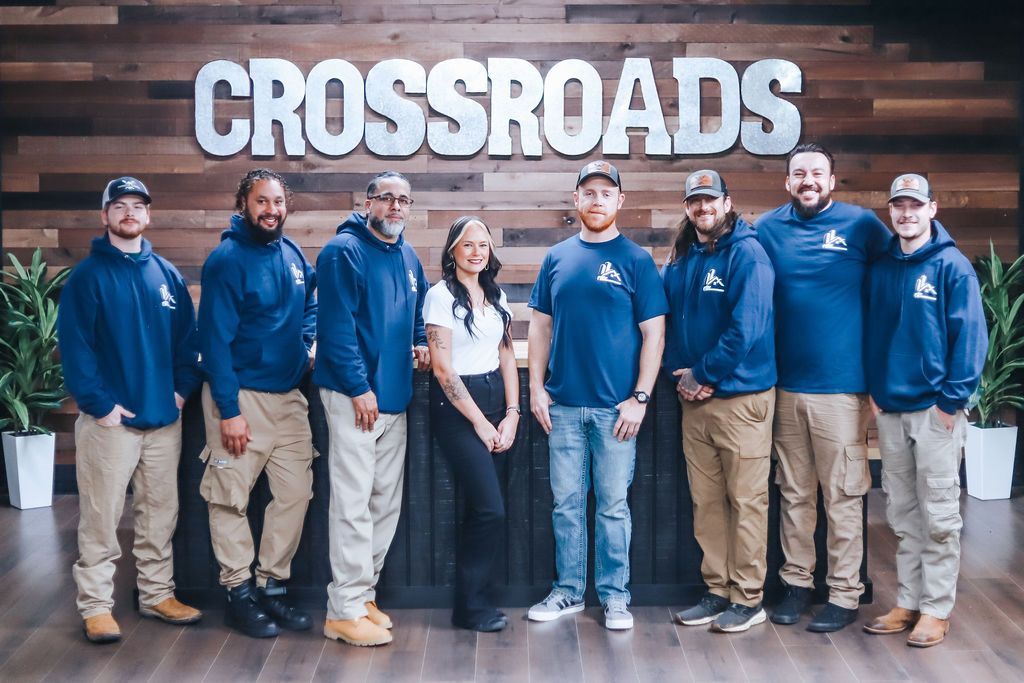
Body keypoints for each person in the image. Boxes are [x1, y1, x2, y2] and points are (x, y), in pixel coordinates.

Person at [58, 176, 203, 643]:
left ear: (148, 215)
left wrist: (180, 393)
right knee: (101, 517)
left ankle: (157, 594)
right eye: (119, 206)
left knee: (160, 514)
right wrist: (101, 408)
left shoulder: (167, 274)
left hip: (164, 419)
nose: (128, 213)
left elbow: (188, 342)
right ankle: (97, 605)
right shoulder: (87, 277)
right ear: (105, 217)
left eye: (137, 206)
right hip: (111, 425)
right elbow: (76, 349)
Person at [756, 142, 892, 632]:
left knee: (842, 495)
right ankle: (796, 586)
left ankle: (844, 594)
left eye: (817, 173)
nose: (808, 180)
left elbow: (897, 279)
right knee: (794, 494)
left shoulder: (862, 226)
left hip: (842, 390)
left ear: (832, 181)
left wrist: (883, 377)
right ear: (787, 182)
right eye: (798, 173)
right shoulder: (767, 228)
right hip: (785, 388)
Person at [526, 160, 667, 631]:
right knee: (566, 505)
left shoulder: (637, 261)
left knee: (612, 507)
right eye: (589, 192)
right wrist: (536, 389)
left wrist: (640, 398)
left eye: (606, 192)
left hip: (616, 411)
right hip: (562, 407)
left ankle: (614, 598)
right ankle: (567, 592)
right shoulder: (557, 258)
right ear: (577, 200)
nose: (597, 199)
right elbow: (540, 328)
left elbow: (655, 334)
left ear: (619, 201)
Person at [863, 174, 986, 647]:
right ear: (890, 212)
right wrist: (875, 390)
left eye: (916, 205)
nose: (906, 214)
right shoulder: (883, 266)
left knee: (938, 516)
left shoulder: (952, 267)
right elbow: (874, 332)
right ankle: (908, 602)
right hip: (890, 409)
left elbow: (971, 340)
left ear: (932, 209)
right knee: (903, 514)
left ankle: (936, 609)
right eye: (899, 206)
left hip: (936, 412)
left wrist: (950, 403)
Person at [198, 168, 317, 638]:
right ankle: (239, 594)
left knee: (295, 495)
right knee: (229, 500)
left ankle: (272, 588)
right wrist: (228, 410)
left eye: (278, 202)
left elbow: (311, 300)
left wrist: (308, 340)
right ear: (244, 204)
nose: (271, 210)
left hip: (289, 400)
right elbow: (214, 340)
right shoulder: (226, 260)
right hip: (240, 398)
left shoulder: (290, 252)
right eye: (261, 202)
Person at [315, 171, 430, 647]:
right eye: (387, 199)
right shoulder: (342, 252)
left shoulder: (406, 254)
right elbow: (337, 329)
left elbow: (418, 310)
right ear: (367, 204)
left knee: (383, 503)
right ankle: (341, 610)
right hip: (354, 398)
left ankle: (363, 595)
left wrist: (421, 342)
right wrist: (359, 386)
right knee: (352, 505)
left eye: (404, 200)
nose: (397, 207)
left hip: (394, 397)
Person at [664, 170, 777, 633]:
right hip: (695, 401)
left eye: (711, 200)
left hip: (740, 400)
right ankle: (718, 590)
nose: (703, 208)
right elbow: (670, 318)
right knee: (707, 502)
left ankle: (749, 599)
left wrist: (703, 374)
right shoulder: (686, 255)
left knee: (746, 500)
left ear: (728, 203)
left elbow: (745, 329)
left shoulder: (748, 253)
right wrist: (684, 375)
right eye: (695, 201)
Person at [423, 216, 520, 632]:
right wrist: (482, 424)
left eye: (484, 244)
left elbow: (506, 357)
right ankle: (470, 607)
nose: (477, 251)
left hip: (498, 402)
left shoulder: (497, 296)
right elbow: (444, 371)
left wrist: (513, 413)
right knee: (489, 509)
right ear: (452, 251)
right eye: (468, 245)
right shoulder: (439, 296)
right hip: (459, 411)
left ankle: (473, 600)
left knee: (484, 509)